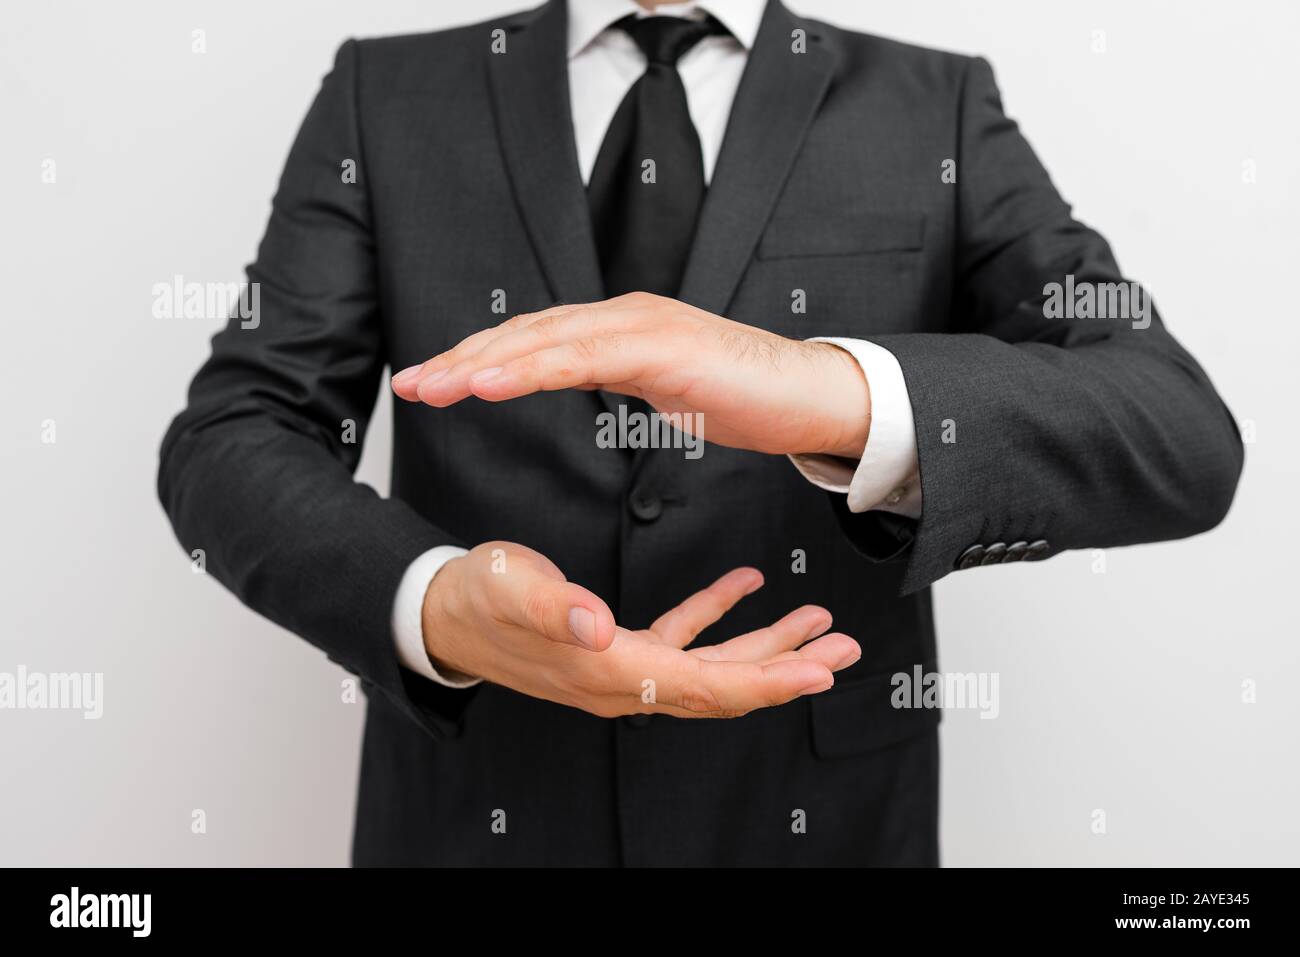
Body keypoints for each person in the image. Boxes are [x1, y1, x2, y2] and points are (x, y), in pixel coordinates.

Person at [158, 0, 1243, 865]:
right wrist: (434, 601)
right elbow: (236, 430)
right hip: (475, 814)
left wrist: (825, 392)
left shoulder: (936, 103)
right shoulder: (382, 93)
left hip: (823, 819)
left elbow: (1177, 429)